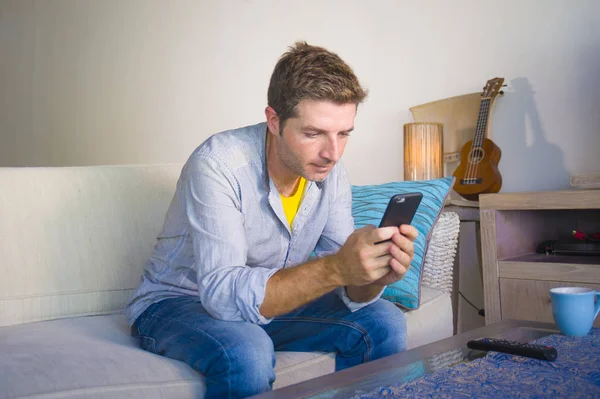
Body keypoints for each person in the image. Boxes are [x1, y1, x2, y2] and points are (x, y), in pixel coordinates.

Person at [125, 41, 418, 399]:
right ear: (274, 120)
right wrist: (336, 270)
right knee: (246, 350)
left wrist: (372, 276)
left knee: (383, 321)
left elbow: (348, 285)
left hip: (272, 304)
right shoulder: (218, 164)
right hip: (178, 303)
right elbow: (220, 294)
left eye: (343, 134)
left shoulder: (329, 172)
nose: (332, 153)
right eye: (313, 133)